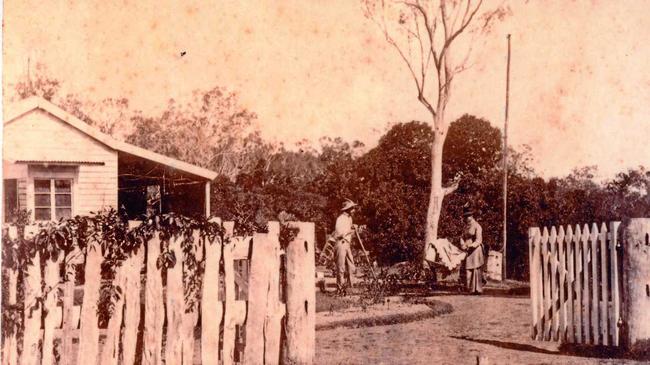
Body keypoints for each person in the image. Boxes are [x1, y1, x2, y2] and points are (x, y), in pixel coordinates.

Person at [333, 199, 358, 295]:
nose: (354, 210)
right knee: (341, 267)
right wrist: (350, 230)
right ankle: (340, 289)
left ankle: (349, 287)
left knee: (351, 266)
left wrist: (354, 229)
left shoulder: (349, 219)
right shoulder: (340, 219)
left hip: (347, 244)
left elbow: (350, 233)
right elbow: (339, 233)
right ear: (348, 209)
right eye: (352, 208)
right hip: (341, 243)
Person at [460, 206, 484, 294]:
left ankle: (477, 289)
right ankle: (470, 289)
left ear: (472, 216)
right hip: (468, 250)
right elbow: (462, 237)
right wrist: (462, 244)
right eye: (465, 216)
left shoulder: (477, 226)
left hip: (476, 250)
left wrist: (470, 246)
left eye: (468, 216)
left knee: (475, 269)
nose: (467, 218)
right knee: (468, 269)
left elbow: (478, 240)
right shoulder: (465, 227)